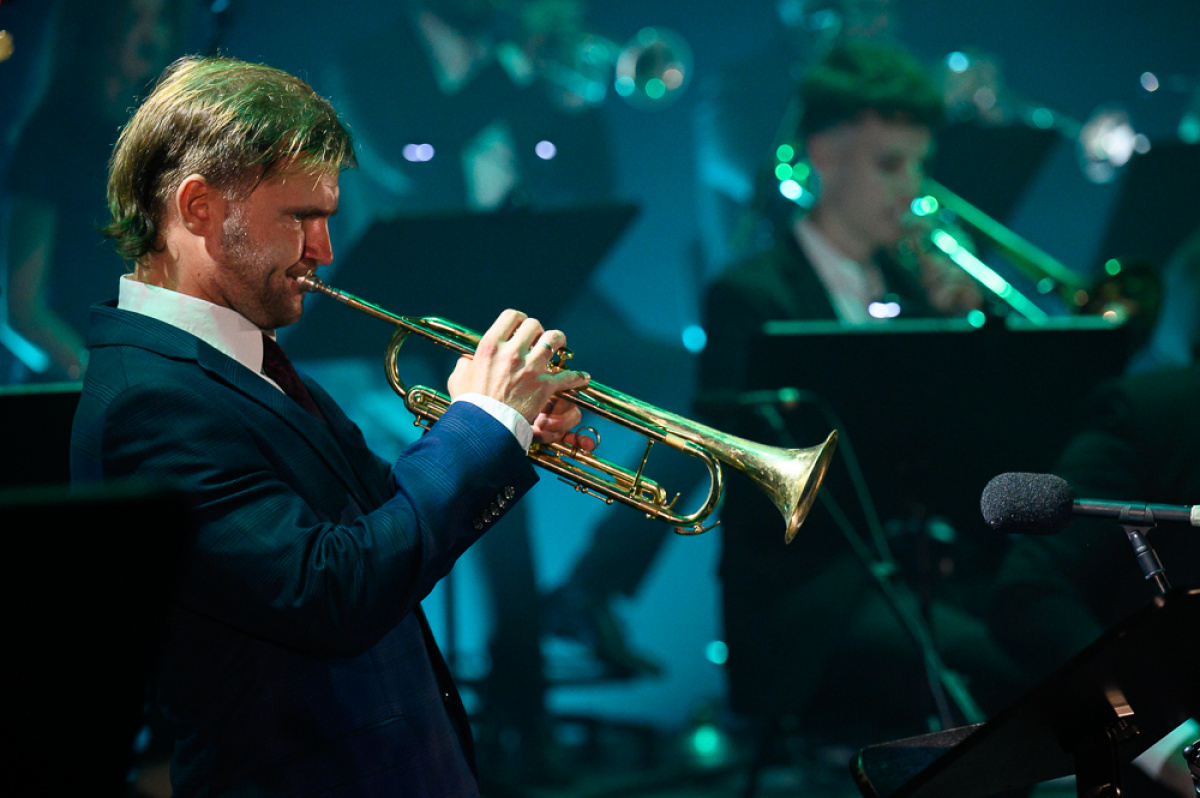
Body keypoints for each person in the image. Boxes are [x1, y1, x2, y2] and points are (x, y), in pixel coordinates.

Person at [70, 55, 592, 797]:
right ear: (198, 208)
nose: (324, 250)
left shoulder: (243, 361)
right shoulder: (147, 401)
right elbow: (330, 592)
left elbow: (386, 523)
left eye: (326, 218)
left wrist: (514, 432)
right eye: (299, 217)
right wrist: (480, 424)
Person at [698, 40, 1017, 751]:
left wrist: (963, 334)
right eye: (889, 165)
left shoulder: (915, 291)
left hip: (917, 574)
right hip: (810, 599)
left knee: (1052, 622)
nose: (913, 190)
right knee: (998, 667)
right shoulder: (749, 296)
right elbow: (752, 487)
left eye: (919, 165)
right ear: (825, 155)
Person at [3, 0, 191, 383]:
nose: (151, 38)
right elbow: (23, 306)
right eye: (134, 19)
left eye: (160, 20)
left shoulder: (158, 142)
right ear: (98, 28)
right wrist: (91, 373)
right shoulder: (51, 139)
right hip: (71, 393)